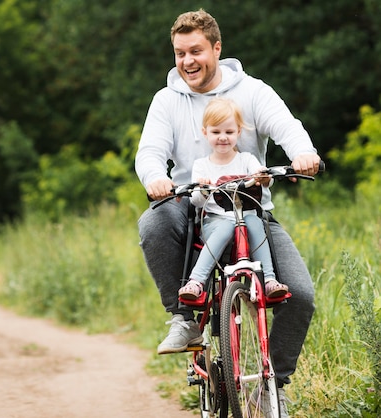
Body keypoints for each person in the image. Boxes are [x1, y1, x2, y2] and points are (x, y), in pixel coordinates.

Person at [134, 9, 320, 416]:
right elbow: (150, 153)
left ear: (217, 48)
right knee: (153, 220)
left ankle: (275, 386)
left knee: (301, 296)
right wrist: (154, 177)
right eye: (180, 53)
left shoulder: (252, 92)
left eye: (196, 50)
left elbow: (287, 126)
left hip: (252, 210)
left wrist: (303, 154)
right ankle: (186, 319)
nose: (187, 61)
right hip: (195, 209)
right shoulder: (167, 100)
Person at [178, 97, 289, 301]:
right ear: (205, 133)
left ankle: (269, 280)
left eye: (229, 132)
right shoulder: (202, 165)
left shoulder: (246, 160)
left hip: (247, 216)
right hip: (214, 221)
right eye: (216, 132)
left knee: (255, 222)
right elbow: (195, 201)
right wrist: (202, 189)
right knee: (226, 227)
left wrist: (262, 177)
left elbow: (261, 177)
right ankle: (196, 280)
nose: (223, 137)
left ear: (238, 132)